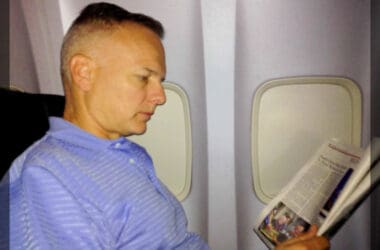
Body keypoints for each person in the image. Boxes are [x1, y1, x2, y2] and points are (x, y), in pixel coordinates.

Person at [1, 2, 329, 249]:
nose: (160, 97)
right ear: (84, 73)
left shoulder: (125, 155)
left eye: (160, 81)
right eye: (145, 78)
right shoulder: (46, 179)